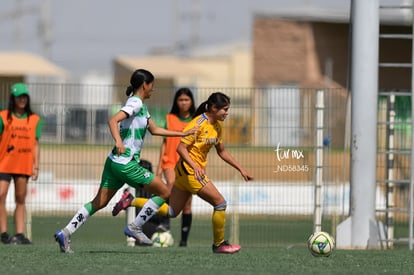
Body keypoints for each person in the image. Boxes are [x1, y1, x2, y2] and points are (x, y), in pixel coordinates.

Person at [53, 69, 197, 253]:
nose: (153, 89)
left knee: (98, 203)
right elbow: (113, 120)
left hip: (114, 162)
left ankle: (65, 232)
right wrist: (119, 141)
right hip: (126, 163)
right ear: (145, 85)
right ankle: (135, 226)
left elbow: (155, 130)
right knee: (164, 191)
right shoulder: (136, 103)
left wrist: (182, 133)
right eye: (152, 85)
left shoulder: (141, 106)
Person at [113, 92, 253, 254]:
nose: (227, 113)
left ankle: (132, 201)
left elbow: (221, 151)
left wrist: (240, 168)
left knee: (172, 211)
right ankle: (219, 244)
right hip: (189, 172)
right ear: (214, 108)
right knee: (220, 203)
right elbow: (180, 148)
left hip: (184, 171)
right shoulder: (198, 123)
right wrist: (195, 167)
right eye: (225, 109)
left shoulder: (216, 125)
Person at [113, 87, 196, 247]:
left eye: (186, 100)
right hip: (170, 163)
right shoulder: (170, 118)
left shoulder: (195, 120)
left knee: (184, 204)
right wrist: (159, 168)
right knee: (168, 192)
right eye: (180, 100)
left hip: (188, 164)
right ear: (176, 102)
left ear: (191, 102)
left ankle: (183, 241)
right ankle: (159, 224)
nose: (184, 103)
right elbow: (164, 142)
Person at [0, 83, 42, 245]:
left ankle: (19, 234)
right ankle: (3, 233)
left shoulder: (34, 119)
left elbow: (36, 144)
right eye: (19, 96)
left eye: (25, 96)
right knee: (1, 195)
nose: (22, 99)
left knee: (20, 198)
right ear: (13, 98)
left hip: (23, 164)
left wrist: (36, 165)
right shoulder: (3, 117)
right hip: (4, 163)